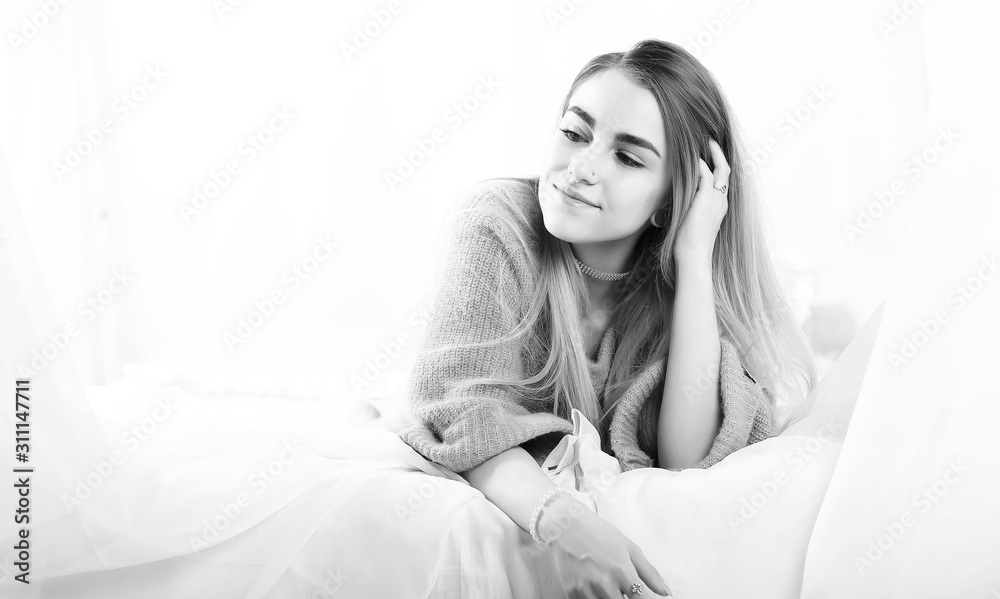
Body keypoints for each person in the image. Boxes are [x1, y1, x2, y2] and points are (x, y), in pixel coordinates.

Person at [387, 38, 818, 598]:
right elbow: (467, 414)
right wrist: (564, 521)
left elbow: (687, 462)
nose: (581, 168)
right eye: (575, 133)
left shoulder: (673, 289)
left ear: (673, 200)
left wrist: (693, 257)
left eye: (629, 158)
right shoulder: (496, 224)